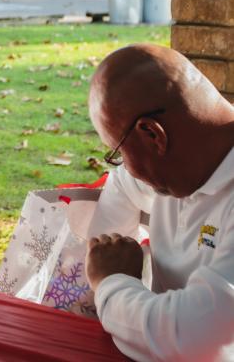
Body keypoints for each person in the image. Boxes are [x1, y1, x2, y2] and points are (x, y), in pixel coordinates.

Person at [84, 44, 234, 361]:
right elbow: (100, 250)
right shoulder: (181, 164)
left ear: (154, 135)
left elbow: (198, 339)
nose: (122, 166)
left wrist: (113, 284)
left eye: (117, 153)